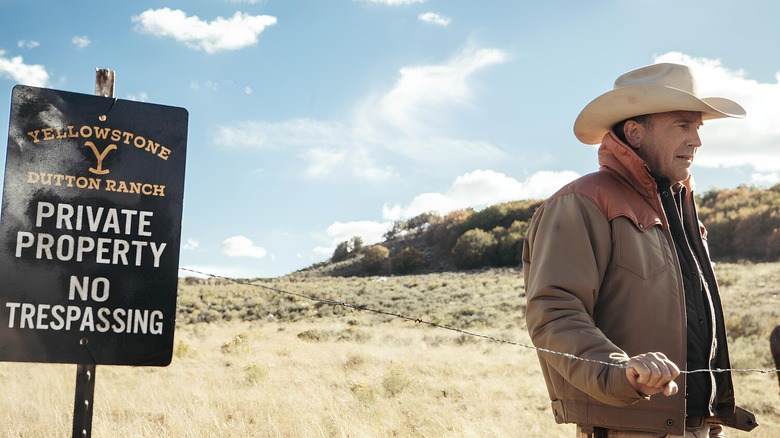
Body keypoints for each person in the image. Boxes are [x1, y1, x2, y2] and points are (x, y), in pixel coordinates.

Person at [522, 63, 758, 437]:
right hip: (629, 429)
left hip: (701, 429)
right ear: (634, 133)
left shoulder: (683, 212)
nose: (697, 140)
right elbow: (554, 312)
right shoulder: (581, 202)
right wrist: (621, 371)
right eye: (683, 124)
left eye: (698, 127)